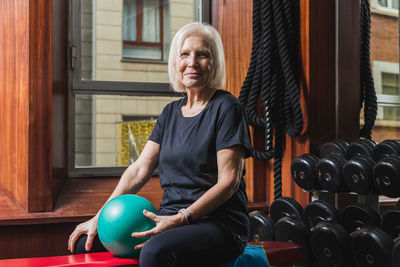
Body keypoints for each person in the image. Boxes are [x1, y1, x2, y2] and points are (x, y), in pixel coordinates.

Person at [68, 22, 252, 267]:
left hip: (217, 223)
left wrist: (181, 218)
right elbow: (139, 170)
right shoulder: (170, 113)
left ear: (214, 63)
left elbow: (229, 182)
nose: (192, 62)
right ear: (176, 63)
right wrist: (100, 217)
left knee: (155, 252)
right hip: (169, 217)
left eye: (203, 54)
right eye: (185, 54)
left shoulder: (227, 108)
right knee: (84, 244)